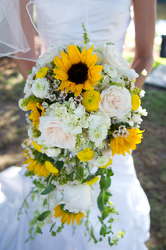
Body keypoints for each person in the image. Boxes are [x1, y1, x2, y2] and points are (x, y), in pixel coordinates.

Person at [0, 0, 156, 249]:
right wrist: (50, 103)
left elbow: (145, 57)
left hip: (111, 119)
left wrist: (119, 104)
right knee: (51, 199)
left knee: (110, 201)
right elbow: (24, 54)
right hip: (54, 113)